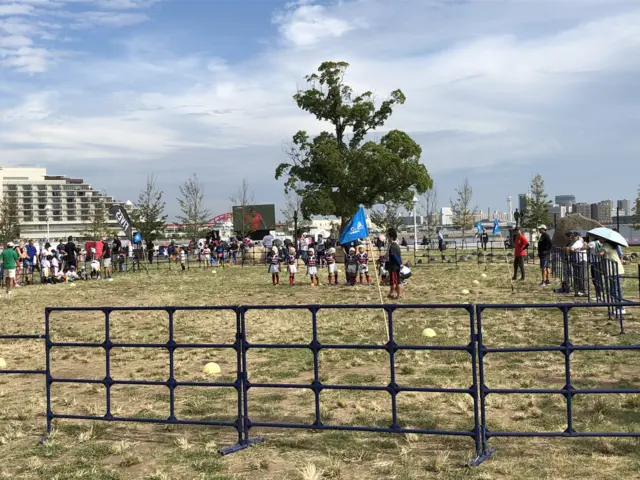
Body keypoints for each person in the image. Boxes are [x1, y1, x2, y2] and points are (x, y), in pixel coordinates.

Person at [596, 237, 625, 316]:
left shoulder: (607, 244)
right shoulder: (610, 244)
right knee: (616, 289)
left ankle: (620, 308)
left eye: (600, 238)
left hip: (615, 270)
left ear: (604, 238)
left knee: (614, 290)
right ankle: (619, 306)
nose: (599, 239)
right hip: (616, 270)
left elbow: (600, 253)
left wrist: (595, 252)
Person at [387, 228, 404, 299]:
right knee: (396, 281)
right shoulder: (395, 245)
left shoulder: (393, 246)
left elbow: (395, 256)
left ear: (391, 237)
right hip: (395, 266)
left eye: (388, 236)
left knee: (395, 282)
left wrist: (400, 264)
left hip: (394, 267)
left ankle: (398, 295)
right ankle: (394, 294)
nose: (387, 238)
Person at [569, 232, 587, 296]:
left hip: (581, 260)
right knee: (579, 276)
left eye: (574, 236)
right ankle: (579, 291)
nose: (573, 237)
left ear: (578, 236)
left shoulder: (578, 242)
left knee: (581, 276)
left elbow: (572, 248)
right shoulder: (580, 241)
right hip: (579, 260)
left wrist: (573, 249)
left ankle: (583, 291)